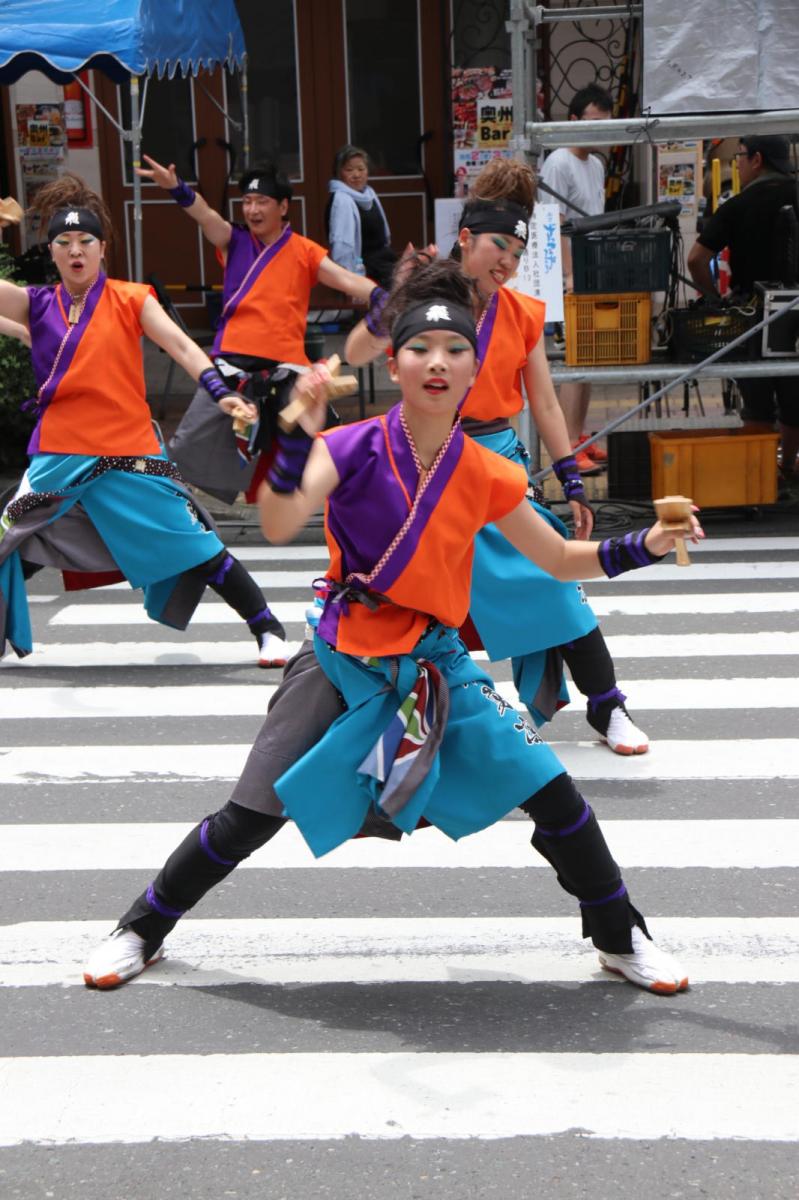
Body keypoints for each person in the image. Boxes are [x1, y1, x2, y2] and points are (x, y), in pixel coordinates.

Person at [84, 260, 697, 996]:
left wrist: (648, 548)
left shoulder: (488, 472)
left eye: (455, 351)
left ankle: (619, 935)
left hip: (433, 665)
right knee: (250, 813)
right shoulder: (348, 447)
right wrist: (291, 434)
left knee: (553, 794)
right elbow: (276, 520)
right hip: (340, 655)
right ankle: (142, 927)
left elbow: (561, 559)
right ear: (397, 362)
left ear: (475, 366)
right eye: (419, 349)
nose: (437, 363)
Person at [346, 159, 651, 756]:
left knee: (556, 582)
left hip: (496, 466)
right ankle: (395, 721)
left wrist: (574, 482)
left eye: (516, 250)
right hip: (426, 463)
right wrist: (394, 292)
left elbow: (544, 403)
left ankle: (608, 706)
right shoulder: (428, 298)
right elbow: (359, 350)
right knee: (408, 599)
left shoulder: (521, 315)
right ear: (466, 240)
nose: (506, 261)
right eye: (496, 246)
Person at [0, 175, 288, 667]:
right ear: (51, 252)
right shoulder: (37, 305)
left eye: (85, 242)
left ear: (103, 248)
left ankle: (267, 627)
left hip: (126, 451)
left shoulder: (132, 299)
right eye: (64, 243)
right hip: (60, 452)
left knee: (190, 536)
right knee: (14, 539)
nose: (75, 252)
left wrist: (219, 391)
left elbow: (179, 345)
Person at [135, 154, 377, 508]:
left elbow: (343, 278)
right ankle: (177, 515)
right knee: (185, 447)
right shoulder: (233, 241)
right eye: (247, 202)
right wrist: (177, 188)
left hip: (289, 368)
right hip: (230, 367)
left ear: (282, 206)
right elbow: (205, 216)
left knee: (327, 444)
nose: (252, 210)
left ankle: (352, 509)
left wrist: (382, 294)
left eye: (261, 201)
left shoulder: (304, 251)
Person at [687, 134, 799, 488]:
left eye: (740, 156)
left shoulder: (737, 205)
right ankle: (789, 468)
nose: (737, 162)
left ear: (757, 159)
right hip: (797, 314)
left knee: (758, 399)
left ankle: (762, 476)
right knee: (795, 397)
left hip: (753, 316)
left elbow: (696, 260)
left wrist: (714, 299)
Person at [540, 83, 614, 472]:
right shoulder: (558, 162)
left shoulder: (596, 164)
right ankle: (568, 444)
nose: (598, 131)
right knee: (575, 358)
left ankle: (581, 434)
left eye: (605, 124)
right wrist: (568, 275)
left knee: (590, 356)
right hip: (569, 271)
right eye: (593, 122)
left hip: (592, 267)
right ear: (573, 121)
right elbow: (556, 224)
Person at [325, 144, 397, 289]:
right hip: (365, 272)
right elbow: (342, 250)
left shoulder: (369, 194)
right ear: (340, 173)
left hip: (384, 264)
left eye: (361, 169)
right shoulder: (341, 201)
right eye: (349, 170)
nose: (356, 174)